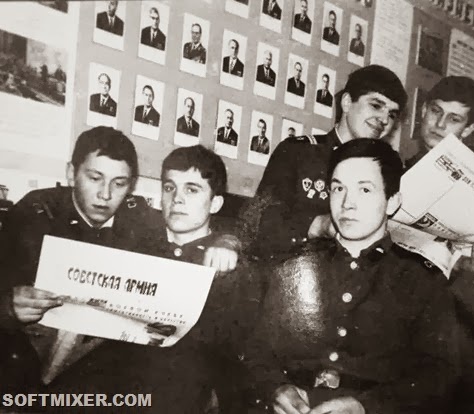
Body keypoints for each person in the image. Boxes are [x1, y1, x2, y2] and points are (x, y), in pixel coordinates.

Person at [0, 127, 241, 395]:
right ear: (71, 173)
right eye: (95, 178)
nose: (105, 194)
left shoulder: (137, 217)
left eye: (119, 183)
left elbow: (202, 220)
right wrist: (7, 307)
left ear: (131, 185)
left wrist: (227, 242)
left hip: (94, 378)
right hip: (20, 368)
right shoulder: (34, 213)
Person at [242, 139, 458, 413]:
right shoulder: (295, 265)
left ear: (392, 202)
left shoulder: (420, 279)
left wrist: (366, 406)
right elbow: (256, 349)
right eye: (338, 188)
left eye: (364, 190)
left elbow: (438, 375)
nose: (347, 204)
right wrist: (275, 388)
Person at [45, 146, 257, 413]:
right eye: (169, 188)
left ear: (215, 204)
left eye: (192, 190)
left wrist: (229, 242)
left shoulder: (231, 268)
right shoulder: (137, 246)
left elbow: (237, 360)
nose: (177, 199)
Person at [239, 65, 407, 259]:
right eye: (376, 106)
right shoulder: (299, 152)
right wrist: (318, 225)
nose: (384, 119)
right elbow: (257, 223)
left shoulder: (388, 169)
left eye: (392, 115)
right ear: (347, 102)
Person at [405, 76, 474, 280]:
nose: (440, 124)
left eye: (454, 119)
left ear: (468, 129)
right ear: (423, 110)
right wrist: (458, 262)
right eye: (436, 111)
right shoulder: (402, 172)